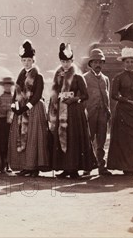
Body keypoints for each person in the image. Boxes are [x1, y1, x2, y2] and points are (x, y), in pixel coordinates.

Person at [48, 43, 96, 179]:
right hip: (61, 110)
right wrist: (57, 98)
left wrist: (74, 99)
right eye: (63, 61)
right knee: (62, 138)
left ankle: (74, 168)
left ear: (72, 61)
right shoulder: (58, 76)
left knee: (73, 138)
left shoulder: (78, 77)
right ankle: (65, 168)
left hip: (74, 111)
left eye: (68, 61)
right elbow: (54, 93)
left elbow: (85, 95)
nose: (65, 64)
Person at [8, 40, 50, 177]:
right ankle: (25, 166)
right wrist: (14, 105)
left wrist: (26, 107)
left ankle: (34, 167)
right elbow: (16, 92)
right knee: (21, 136)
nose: (26, 63)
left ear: (33, 60)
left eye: (29, 60)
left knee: (33, 137)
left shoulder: (38, 76)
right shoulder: (21, 75)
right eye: (24, 60)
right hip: (21, 109)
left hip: (34, 108)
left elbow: (37, 95)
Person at [107, 47, 133, 175]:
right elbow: (114, 95)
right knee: (125, 139)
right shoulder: (118, 77)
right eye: (127, 62)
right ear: (123, 63)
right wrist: (127, 101)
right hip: (123, 112)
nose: (129, 64)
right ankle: (126, 167)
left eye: (132, 62)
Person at [83, 48, 112, 176]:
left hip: (103, 114)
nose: (98, 65)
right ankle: (87, 167)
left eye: (100, 62)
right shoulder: (84, 78)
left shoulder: (105, 79)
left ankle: (101, 166)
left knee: (101, 140)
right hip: (90, 113)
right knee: (89, 139)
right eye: (95, 62)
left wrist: (108, 110)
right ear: (90, 64)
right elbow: (83, 97)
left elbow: (107, 96)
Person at [0, 77, 14, 173]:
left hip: (11, 123)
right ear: (3, 86)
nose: (7, 87)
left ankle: (9, 164)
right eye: (5, 85)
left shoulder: (14, 97)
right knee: (2, 142)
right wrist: (4, 110)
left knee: (10, 142)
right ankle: (2, 164)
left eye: (9, 85)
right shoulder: (0, 98)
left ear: (11, 86)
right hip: (2, 122)